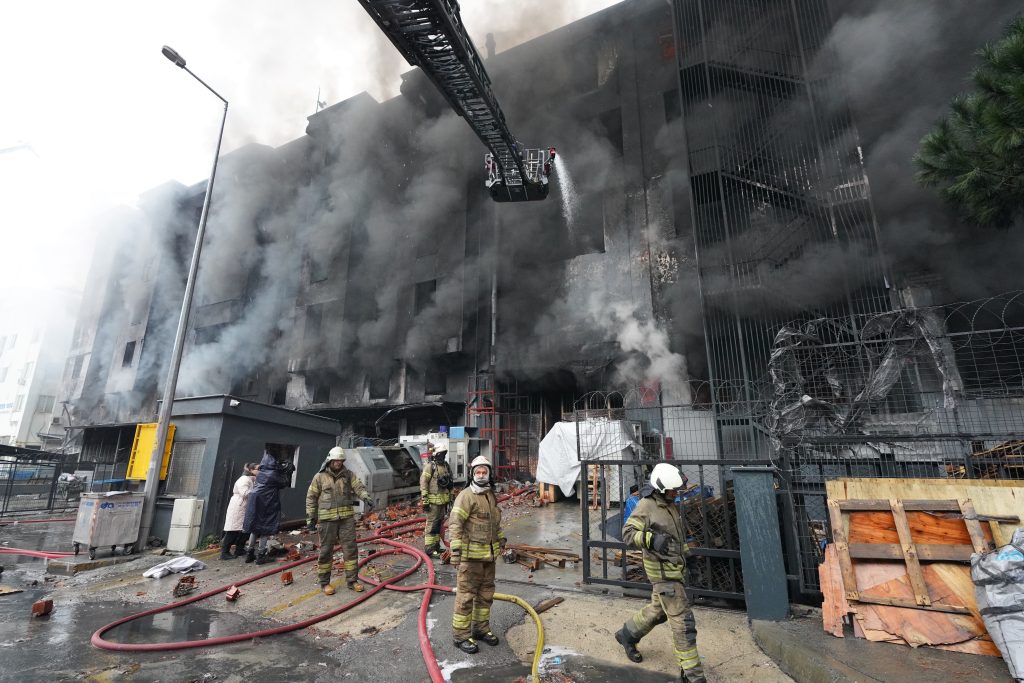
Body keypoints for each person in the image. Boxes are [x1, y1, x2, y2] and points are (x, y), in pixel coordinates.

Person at [616, 463, 705, 683]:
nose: (676, 494)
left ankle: (627, 635)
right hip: (663, 575)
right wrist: (650, 539)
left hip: (674, 570)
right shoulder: (647, 506)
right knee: (684, 624)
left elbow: (676, 539)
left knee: (658, 611)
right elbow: (628, 534)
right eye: (673, 490)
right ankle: (693, 675)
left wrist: (690, 560)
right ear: (661, 489)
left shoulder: (669, 505)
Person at [448, 455, 506, 654]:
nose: (481, 475)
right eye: (478, 472)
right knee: (465, 598)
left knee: (485, 596)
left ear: (489, 474)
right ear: (472, 474)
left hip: (488, 558)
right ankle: (461, 636)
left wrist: (501, 540)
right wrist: (455, 554)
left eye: (484, 472)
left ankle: (480, 629)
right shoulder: (466, 496)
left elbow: (494, 524)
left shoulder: (490, 495)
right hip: (470, 559)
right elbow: (455, 525)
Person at [306, 446, 374, 595]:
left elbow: (358, 487)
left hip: (346, 519)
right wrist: (311, 517)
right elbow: (311, 497)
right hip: (327, 521)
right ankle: (325, 583)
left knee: (350, 550)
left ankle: (352, 581)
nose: (338, 463)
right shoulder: (320, 477)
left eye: (341, 460)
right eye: (336, 460)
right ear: (330, 460)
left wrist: (366, 497)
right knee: (325, 551)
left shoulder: (348, 475)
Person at [243, 450, 295, 565]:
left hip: (256, 502)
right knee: (265, 529)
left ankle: (249, 553)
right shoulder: (272, 474)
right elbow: (283, 483)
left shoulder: (261, 472)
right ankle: (261, 555)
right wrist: (287, 471)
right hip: (267, 502)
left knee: (254, 529)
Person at [420, 445, 454, 558]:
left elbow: (450, 483)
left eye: (444, 453)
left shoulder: (446, 466)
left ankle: (436, 546)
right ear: (435, 454)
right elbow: (423, 483)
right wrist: (425, 499)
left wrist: (451, 497)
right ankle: (429, 549)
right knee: (432, 525)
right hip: (433, 503)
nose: (443, 456)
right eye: (441, 454)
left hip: (443, 501)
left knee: (439, 524)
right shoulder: (430, 467)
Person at [220, 462, 258, 560]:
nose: (259, 471)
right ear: (251, 470)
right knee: (233, 530)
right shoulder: (243, 479)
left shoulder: (251, 479)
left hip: (245, 506)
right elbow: (245, 493)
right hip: (238, 506)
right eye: (257, 469)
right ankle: (224, 553)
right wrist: (258, 491)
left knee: (245, 530)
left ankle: (239, 549)